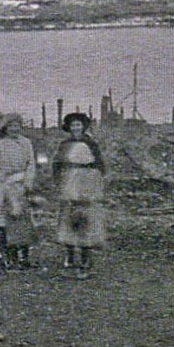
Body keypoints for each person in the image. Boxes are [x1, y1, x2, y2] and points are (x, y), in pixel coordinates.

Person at [0, 114, 38, 271]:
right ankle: (7, 255)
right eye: (11, 126)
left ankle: (24, 256)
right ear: (5, 128)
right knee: (2, 223)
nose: (14, 129)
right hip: (1, 186)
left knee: (22, 222)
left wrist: (28, 183)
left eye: (17, 126)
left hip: (20, 187)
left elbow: (31, 164)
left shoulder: (26, 143)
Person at [53, 112, 106, 279]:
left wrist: (97, 181)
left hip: (87, 181)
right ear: (69, 128)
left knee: (87, 216)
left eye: (79, 125)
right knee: (69, 216)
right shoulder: (65, 144)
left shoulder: (91, 143)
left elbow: (100, 164)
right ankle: (69, 255)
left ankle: (85, 256)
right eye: (73, 125)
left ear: (84, 127)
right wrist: (58, 181)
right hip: (69, 180)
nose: (76, 128)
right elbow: (57, 163)